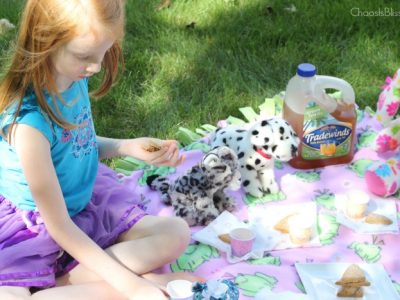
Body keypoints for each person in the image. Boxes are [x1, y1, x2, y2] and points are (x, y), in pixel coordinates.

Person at [0, 1, 203, 299]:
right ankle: (107, 285)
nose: (95, 67)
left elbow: (72, 145)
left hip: (82, 205)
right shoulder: (28, 124)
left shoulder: (72, 76)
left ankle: (68, 285)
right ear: (46, 42)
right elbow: (59, 227)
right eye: (85, 56)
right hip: (38, 226)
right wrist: (134, 287)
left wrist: (125, 147)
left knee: (176, 233)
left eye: (103, 52)